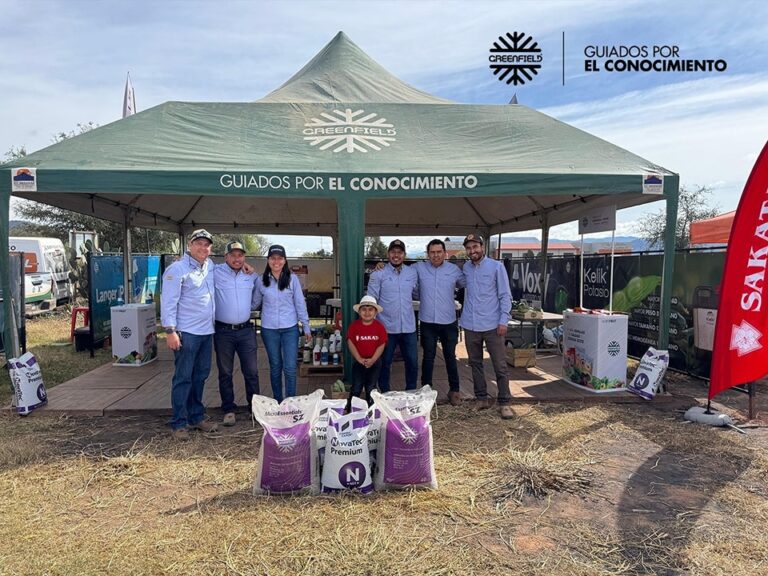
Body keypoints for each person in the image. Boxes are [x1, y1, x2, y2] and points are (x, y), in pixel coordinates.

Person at [160, 229, 219, 440]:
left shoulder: (210, 266)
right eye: (198, 243)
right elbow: (168, 301)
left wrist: (246, 267)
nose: (203, 247)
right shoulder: (177, 269)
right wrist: (170, 331)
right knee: (183, 378)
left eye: (206, 244)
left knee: (200, 376)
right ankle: (179, 423)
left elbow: (229, 269)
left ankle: (196, 417)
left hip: (206, 332)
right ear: (189, 246)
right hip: (187, 333)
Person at [459, 233, 514, 420]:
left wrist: (503, 320)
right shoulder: (466, 268)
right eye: (469, 248)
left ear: (482, 247)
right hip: (471, 324)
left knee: (500, 365)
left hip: (492, 325)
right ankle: (481, 398)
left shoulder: (496, 267)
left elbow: (505, 295)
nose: (472, 251)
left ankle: (504, 402)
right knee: (475, 364)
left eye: (475, 247)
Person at [253, 244, 311, 402]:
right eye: (273, 258)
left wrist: (306, 326)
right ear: (268, 260)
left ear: (285, 261)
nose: (276, 261)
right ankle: (278, 401)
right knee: (275, 367)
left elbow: (300, 303)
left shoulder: (292, 280)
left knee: (290, 368)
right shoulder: (261, 280)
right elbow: (254, 303)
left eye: (279, 258)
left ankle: (290, 402)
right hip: (269, 330)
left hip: (290, 329)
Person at [413, 239, 466, 405]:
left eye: (439, 252)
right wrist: (381, 265)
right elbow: (399, 267)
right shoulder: (418, 268)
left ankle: (454, 391)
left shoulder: (454, 270)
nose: (435, 255)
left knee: (450, 356)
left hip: (449, 321)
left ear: (445, 253)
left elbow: (467, 282)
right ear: (427, 254)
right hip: (427, 321)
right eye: (432, 252)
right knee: (428, 357)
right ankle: (426, 391)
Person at [213, 241, 260, 427]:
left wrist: (249, 308)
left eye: (240, 255)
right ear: (225, 257)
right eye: (232, 255)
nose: (237, 259)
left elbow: (259, 293)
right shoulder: (214, 272)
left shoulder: (251, 275)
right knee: (225, 372)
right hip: (223, 331)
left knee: (252, 371)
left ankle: (254, 408)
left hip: (246, 331)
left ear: (244, 257)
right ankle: (228, 409)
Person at [366, 239, 419, 392]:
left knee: (412, 362)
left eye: (399, 252)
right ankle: (385, 394)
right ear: (388, 254)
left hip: (408, 327)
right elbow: (371, 300)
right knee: (385, 363)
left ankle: (411, 392)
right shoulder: (378, 274)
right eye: (393, 252)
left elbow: (416, 293)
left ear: (404, 254)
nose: (396, 255)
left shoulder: (412, 273)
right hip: (386, 328)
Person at [345, 295, 388, 410]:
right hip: (359, 362)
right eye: (364, 309)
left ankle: (372, 410)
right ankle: (350, 409)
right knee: (356, 387)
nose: (367, 312)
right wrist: (359, 358)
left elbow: (381, 345)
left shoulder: (379, 327)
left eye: (370, 310)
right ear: (359, 312)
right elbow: (350, 342)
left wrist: (373, 359)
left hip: (375, 362)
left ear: (375, 312)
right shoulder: (354, 326)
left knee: (371, 387)